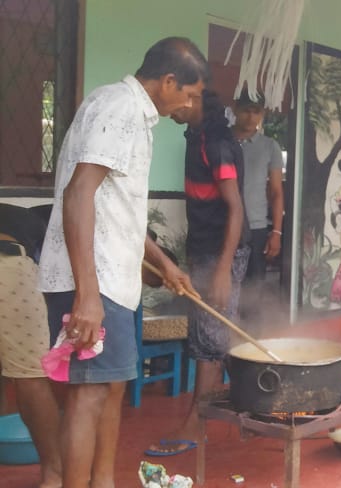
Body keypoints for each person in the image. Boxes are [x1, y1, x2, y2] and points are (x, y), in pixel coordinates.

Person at [37, 37, 204, 488]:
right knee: (88, 395)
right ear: (169, 80)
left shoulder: (134, 116)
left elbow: (117, 209)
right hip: (95, 282)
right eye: (189, 93)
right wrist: (87, 295)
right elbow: (78, 194)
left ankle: (105, 482)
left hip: (114, 281)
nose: (190, 103)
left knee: (110, 389)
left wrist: (164, 263)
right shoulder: (119, 108)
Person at [146, 89, 250, 456]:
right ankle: (257, 405)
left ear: (192, 99)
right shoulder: (198, 137)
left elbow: (234, 209)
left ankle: (197, 424)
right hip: (206, 250)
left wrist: (222, 270)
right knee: (213, 335)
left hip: (221, 253)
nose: (168, 105)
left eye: (175, 96)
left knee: (208, 341)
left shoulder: (217, 144)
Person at [0, 203, 60, 487]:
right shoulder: (49, 226)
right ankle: (55, 474)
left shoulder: (20, 217)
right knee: (31, 375)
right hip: (8, 265)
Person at [231, 88, 284, 317]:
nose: (251, 117)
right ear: (235, 109)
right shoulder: (222, 141)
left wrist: (277, 232)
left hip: (256, 228)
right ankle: (222, 346)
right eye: (246, 111)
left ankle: (250, 344)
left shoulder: (269, 146)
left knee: (253, 291)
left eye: (256, 112)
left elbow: (275, 191)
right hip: (223, 226)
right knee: (225, 287)